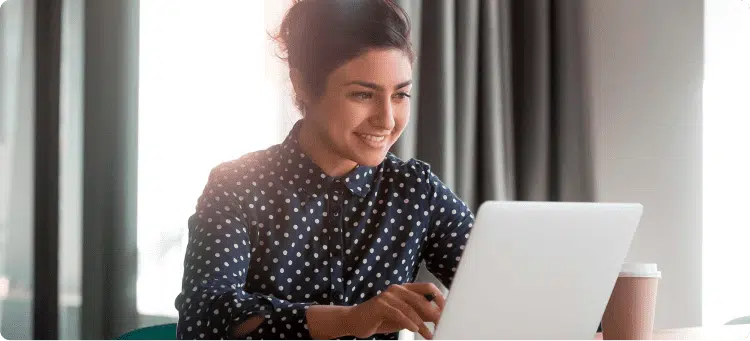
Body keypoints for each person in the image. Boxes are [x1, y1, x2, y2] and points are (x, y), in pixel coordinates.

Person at [174, 0, 474, 339]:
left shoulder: (416, 191)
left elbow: (500, 286)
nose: (387, 120)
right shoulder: (237, 186)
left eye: (400, 95)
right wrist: (352, 320)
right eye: (363, 95)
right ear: (302, 85)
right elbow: (205, 319)